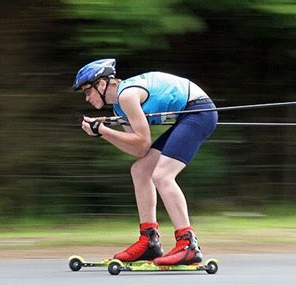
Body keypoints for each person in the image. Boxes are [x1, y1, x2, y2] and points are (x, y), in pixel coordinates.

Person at [73, 58, 218, 265]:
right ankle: (149, 241)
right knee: (140, 170)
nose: (87, 98)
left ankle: (188, 244)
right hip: (187, 116)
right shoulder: (119, 109)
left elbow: (143, 140)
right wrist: (102, 134)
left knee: (162, 175)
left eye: (88, 91)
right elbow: (139, 150)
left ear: (102, 84)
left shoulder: (127, 96)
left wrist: (103, 130)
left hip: (199, 112)